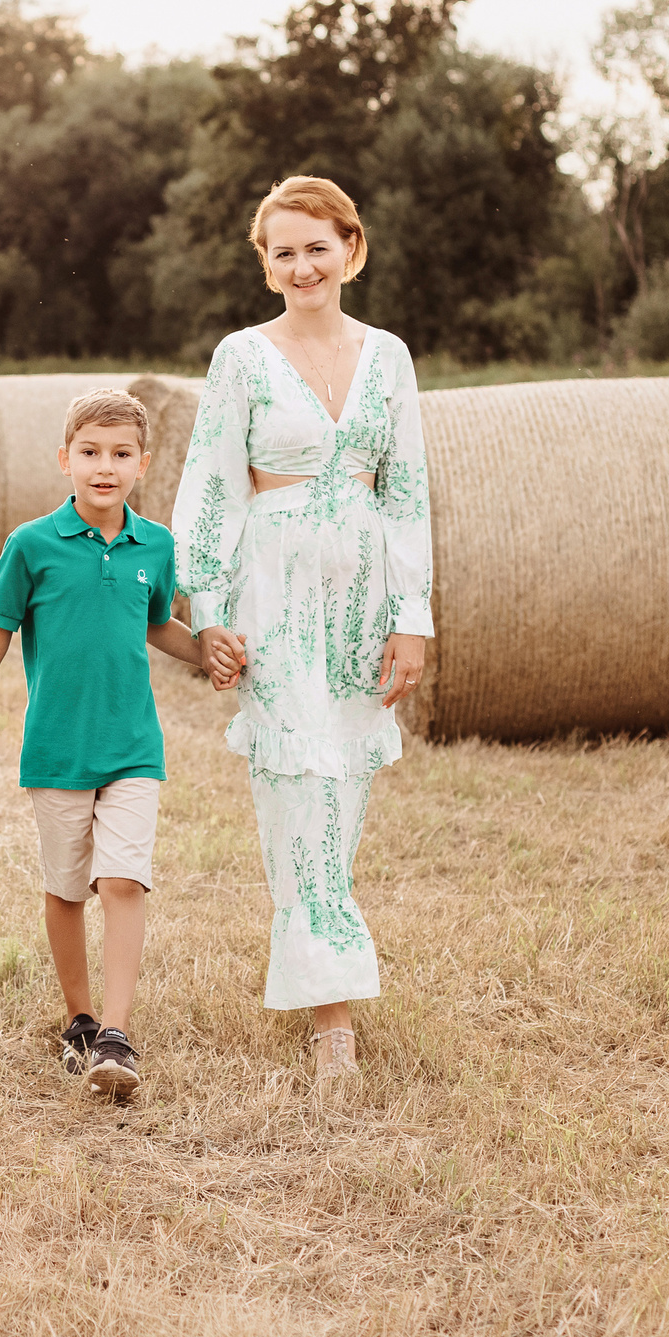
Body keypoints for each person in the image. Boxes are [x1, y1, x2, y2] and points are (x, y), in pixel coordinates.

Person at [169, 175, 433, 1091]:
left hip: (362, 594)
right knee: (296, 790)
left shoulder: (390, 356)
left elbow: (406, 492)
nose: (300, 265)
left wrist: (413, 617)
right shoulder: (240, 357)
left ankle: (322, 973)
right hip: (271, 594)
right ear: (264, 264)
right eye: (282, 251)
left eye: (317, 246)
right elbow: (210, 487)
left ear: (351, 250)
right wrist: (210, 616)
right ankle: (333, 1024)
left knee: (345, 787)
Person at [0, 389, 208, 1099]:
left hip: (134, 745)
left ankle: (115, 1032)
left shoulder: (156, 545)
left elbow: (155, 622)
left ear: (143, 463)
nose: (103, 467)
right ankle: (78, 1018)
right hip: (55, 749)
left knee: (122, 879)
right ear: (64, 459)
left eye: (119, 455)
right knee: (66, 886)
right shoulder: (30, 546)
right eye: (90, 452)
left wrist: (207, 651)